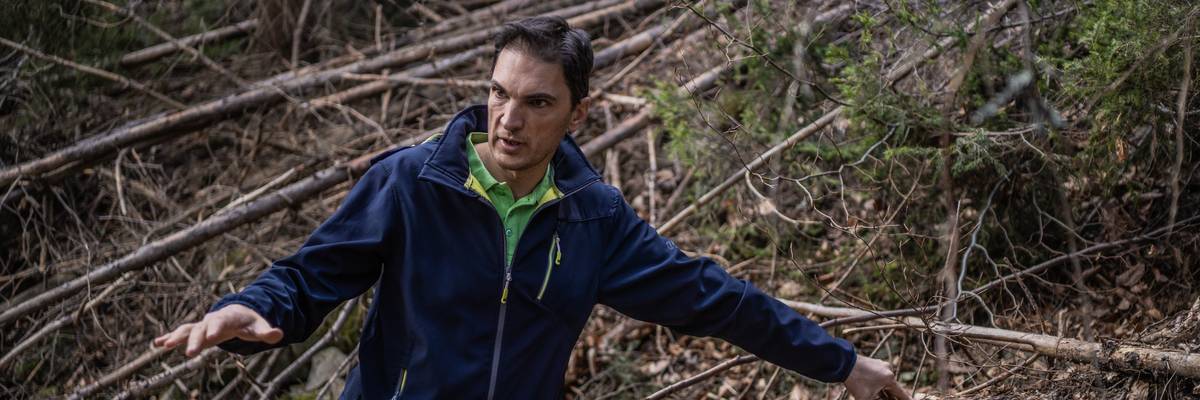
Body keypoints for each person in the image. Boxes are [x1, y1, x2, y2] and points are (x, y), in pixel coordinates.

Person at [153, 16, 910, 400]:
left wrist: (841, 363)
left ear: (578, 115)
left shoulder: (593, 220)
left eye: (537, 103)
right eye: (498, 94)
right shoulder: (412, 184)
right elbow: (308, 277)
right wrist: (247, 309)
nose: (508, 120)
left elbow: (715, 299)